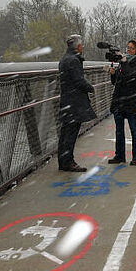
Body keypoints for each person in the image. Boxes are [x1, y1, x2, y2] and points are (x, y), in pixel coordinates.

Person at [58, 34, 96, 172]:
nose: (83, 47)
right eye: (82, 45)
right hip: (74, 102)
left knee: (65, 132)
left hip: (67, 100)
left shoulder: (64, 59)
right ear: (78, 47)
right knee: (71, 133)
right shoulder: (73, 60)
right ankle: (68, 162)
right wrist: (90, 87)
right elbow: (78, 81)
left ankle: (63, 161)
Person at [108, 39, 136, 166]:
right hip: (119, 100)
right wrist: (113, 74)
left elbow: (131, 76)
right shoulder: (123, 62)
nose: (128, 50)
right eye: (127, 47)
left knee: (134, 129)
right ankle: (119, 155)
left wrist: (124, 63)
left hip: (131, 100)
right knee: (119, 130)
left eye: (131, 48)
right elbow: (117, 82)